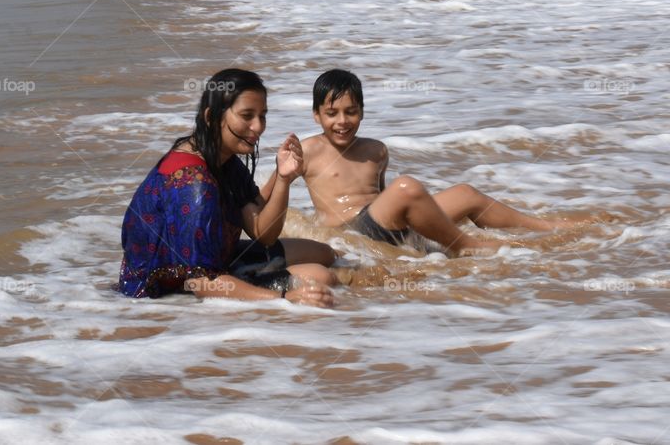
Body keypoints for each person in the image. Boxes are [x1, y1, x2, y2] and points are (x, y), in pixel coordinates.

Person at [118, 69, 336, 305]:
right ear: (212, 117)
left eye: (262, 116)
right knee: (321, 276)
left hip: (218, 259)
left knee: (324, 253)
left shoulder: (225, 160)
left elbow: (264, 233)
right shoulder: (194, 184)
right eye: (247, 116)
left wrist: (282, 178)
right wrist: (285, 298)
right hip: (166, 291)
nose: (258, 127)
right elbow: (201, 283)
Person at [299, 70, 573, 256]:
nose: (342, 121)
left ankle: (544, 227)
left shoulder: (376, 150)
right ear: (316, 115)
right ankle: (467, 245)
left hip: (385, 223)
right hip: (353, 231)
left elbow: (381, 197)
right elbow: (271, 194)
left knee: (466, 194)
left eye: (351, 112)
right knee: (406, 186)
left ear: (362, 112)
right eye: (331, 113)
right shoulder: (308, 150)